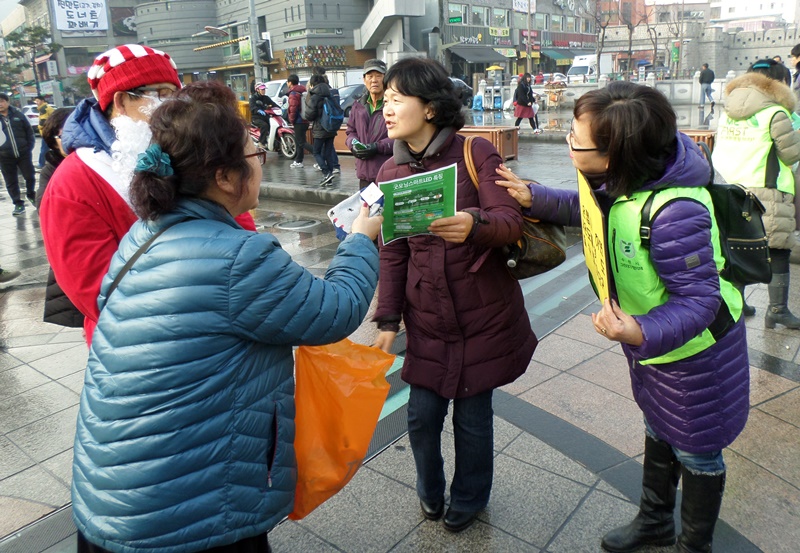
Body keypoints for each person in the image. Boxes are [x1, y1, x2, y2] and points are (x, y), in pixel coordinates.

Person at [71, 80, 382, 553]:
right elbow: (334, 310)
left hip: (113, 498)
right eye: (255, 152)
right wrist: (360, 238)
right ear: (222, 176)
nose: (262, 159)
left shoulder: (142, 236)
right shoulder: (237, 257)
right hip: (188, 518)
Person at [496, 81, 749, 553]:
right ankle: (655, 521)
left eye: (575, 136)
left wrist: (640, 330)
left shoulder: (677, 212)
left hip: (696, 355)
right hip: (656, 347)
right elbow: (592, 212)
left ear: (613, 155)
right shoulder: (629, 181)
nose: (568, 141)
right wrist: (535, 198)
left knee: (697, 448)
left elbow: (700, 301)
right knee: (658, 423)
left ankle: (695, 545)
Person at [373, 57, 537, 534]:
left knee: (472, 420)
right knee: (422, 419)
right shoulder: (390, 171)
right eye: (384, 100)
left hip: (482, 315)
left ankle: (469, 498)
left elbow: (510, 222)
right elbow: (394, 252)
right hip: (428, 319)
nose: (387, 109)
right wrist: (387, 320)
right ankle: (429, 489)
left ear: (429, 107)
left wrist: (473, 224)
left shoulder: (476, 153)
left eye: (397, 100)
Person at [40, 44, 257, 347]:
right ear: (120, 101)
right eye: (161, 94)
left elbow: (238, 222)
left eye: (175, 95)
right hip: (140, 346)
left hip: (223, 326)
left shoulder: (183, 150)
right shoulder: (73, 184)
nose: (170, 106)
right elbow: (96, 290)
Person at [712, 58, 800, 328]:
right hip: (769, 193)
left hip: (731, 189)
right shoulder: (776, 114)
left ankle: (738, 301)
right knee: (778, 252)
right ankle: (777, 310)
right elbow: (792, 154)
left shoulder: (727, 113)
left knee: (737, 248)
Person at [345, 58, 393, 188]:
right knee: (366, 208)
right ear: (364, 79)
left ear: (385, 79)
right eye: (370, 76)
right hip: (364, 175)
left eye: (378, 76)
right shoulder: (358, 105)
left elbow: (402, 138)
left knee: (386, 208)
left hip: (387, 174)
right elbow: (351, 131)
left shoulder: (393, 105)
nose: (374, 80)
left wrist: (377, 147)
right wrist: (353, 144)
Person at [0, 92, 36, 216]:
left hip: (23, 153)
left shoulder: (18, 115)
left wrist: (28, 147)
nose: (0, 104)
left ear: (7, 102)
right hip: (4, 156)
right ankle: (18, 204)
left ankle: (31, 194)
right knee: (11, 181)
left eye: (2, 101)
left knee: (30, 176)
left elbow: (29, 132)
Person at [305, 74, 338, 186]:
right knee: (328, 152)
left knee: (316, 152)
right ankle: (329, 177)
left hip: (320, 128)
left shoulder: (315, 97)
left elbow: (309, 115)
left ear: (313, 84)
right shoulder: (330, 94)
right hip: (331, 127)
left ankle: (326, 173)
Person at [249, 81, 281, 147]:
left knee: (275, 125)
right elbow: (252, 107)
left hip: (266, 116)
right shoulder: (253, 98)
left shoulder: (266, 98)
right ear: (257, 90)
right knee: (265, 126)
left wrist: (280, 108)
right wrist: (258, 110)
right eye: (262, 89)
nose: (264, 91)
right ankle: (261, 142)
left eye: (264, 89)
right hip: (256, 118)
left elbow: (273, 104)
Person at [286, 74, 308, 168]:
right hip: (305, 120)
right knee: (300, 141)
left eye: (287, 82)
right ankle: (299, 161)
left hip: (298, 121)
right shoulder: (302, 91)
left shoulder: (293, 93)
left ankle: (319, 155)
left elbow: (293, 108)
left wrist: (291, 119)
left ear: (290, 83)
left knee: (301, 142)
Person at [34, 96, 55, 168]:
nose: (36, 102)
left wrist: (39, 127)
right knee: (51, 148)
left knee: (44, 149)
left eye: (37, 101)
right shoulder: (46, 107)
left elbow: (43, 120)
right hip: (50, 131)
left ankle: (41, 164)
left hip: (46, 132)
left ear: (42, 101)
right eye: (36, 101)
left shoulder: (44, 109)